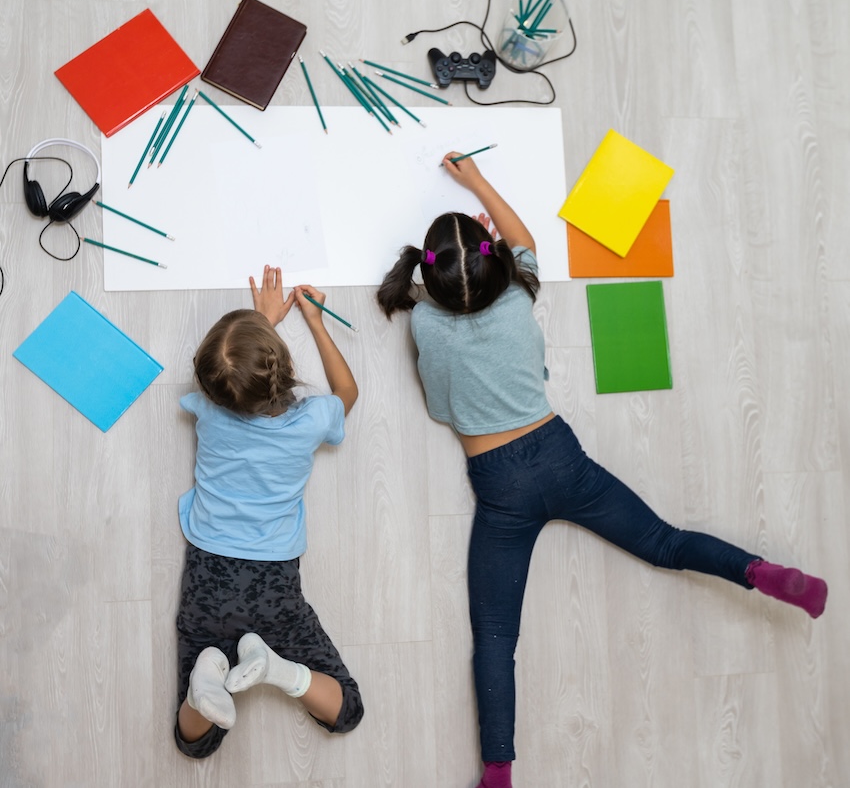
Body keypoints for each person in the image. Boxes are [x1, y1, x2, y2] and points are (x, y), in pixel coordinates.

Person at [376, 154, 828, 788]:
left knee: (496, 636)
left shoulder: (424, 320)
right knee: (665, 543)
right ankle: (762, 573)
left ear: (435, 277)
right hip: (560, 456)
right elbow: (526, 243)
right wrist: (478, 183)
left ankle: (498, 772)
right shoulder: (515, 297)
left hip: (501, 486)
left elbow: (439, 409)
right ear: (494, 261)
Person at [174, 265, 363, 759]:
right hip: (274, 583)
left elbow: (235, 386)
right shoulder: (312, 420)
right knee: (347, 709)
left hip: (207, 574)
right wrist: (315, 323)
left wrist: (260, 330)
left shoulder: (208, 410)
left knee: (195, 743)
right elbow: (348, 394)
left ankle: (207, 677)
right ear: (281, 365)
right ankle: (281, 671)